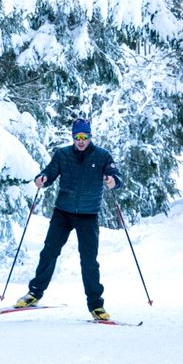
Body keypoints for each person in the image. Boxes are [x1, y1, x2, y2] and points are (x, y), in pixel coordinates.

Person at [15, 118, 122, 321]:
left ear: (90, 137)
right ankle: (34, 293)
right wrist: (42, 178)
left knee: (89, 261)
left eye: (84, 137)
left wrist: (113, 180)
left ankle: (96, 306)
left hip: (88, 214)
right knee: (49, 252)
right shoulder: (62, 154)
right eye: (77, 137)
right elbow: (49, 172)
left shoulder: (102, 156)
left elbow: (116, 175)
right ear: (73, 137)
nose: (81, 141)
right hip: (63, 212)